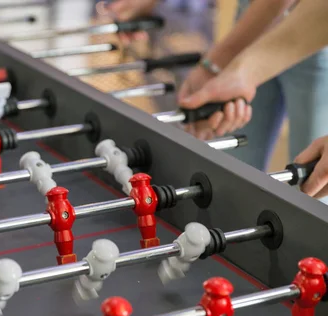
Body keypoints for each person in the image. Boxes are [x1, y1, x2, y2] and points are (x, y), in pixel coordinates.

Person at [104, 0, 328, 199]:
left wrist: (223, 63)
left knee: (312, 188)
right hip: (256, 12)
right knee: (232, 179)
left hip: (315, 34)